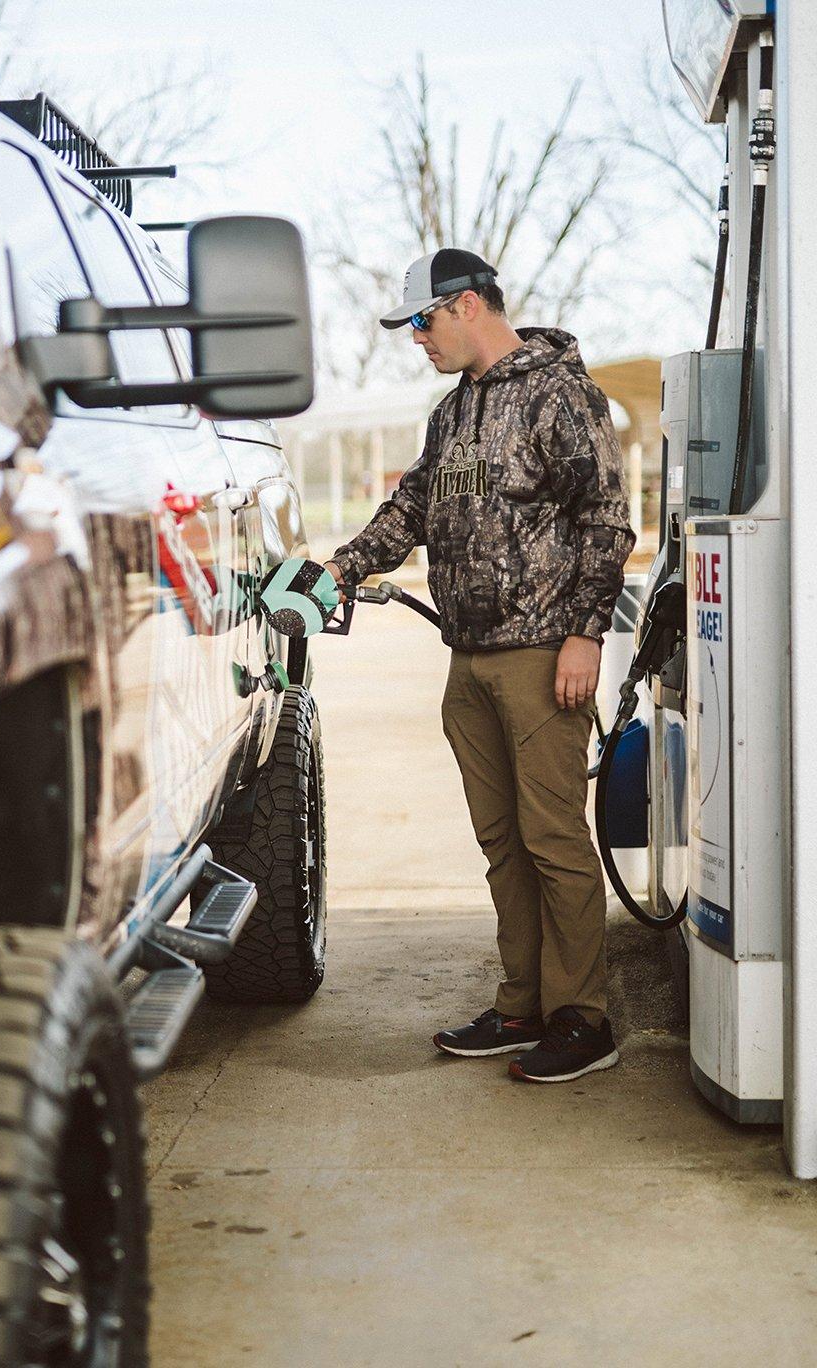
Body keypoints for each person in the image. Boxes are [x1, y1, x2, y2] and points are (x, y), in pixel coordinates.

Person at [324, 248, 635, 1084]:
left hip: (543, 654)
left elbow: (607, 518)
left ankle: (583, 1019)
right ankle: (521, 1006)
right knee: (503, 843)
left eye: (421, 321)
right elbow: (410, 510)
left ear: (465, 306)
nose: (416, 338)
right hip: (469, 660)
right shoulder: (452, 413)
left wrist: (585, 634)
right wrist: (339, 569)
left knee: (554, 839)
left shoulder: (558, 392)